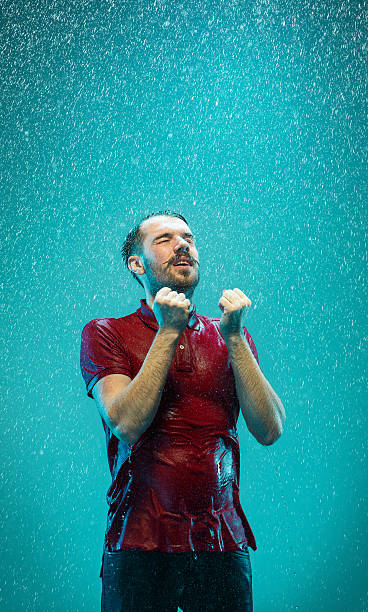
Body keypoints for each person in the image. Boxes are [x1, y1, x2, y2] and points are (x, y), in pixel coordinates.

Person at [80, 211, 285, 612]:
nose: (182, 244)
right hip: (139, 544)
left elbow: (270, 428)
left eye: (188, 237)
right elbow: (126, 422)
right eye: (164, 239)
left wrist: (236, 338)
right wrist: (169, 330)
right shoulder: (105, 332)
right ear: (137, 265)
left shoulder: (230, 333)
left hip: (222, 544)